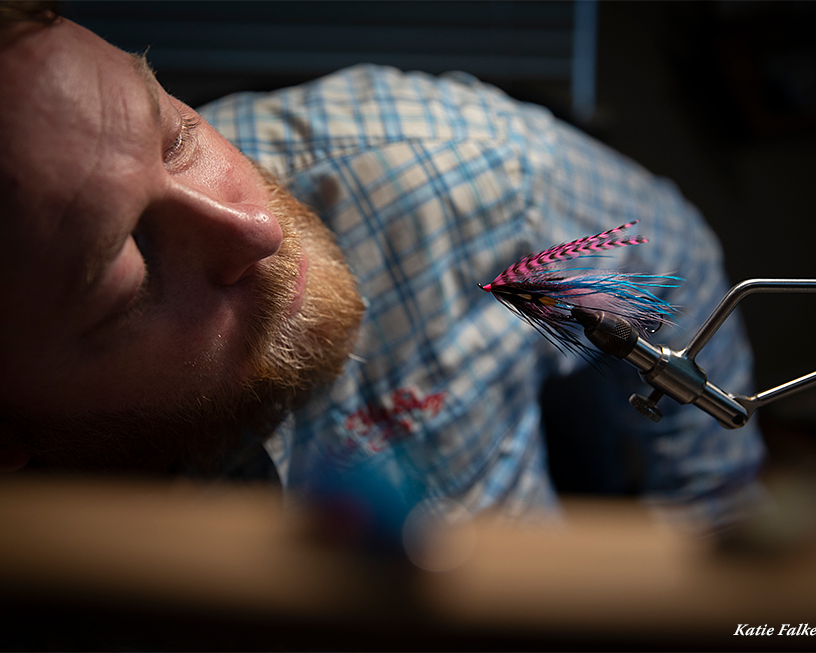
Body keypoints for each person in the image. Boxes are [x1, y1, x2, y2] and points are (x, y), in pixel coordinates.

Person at [0, 9, 764, 527]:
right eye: (130, 266)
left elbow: (677, 271)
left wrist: (706, 535)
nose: (259, 229)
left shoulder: (453, 167)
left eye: (173, 137)